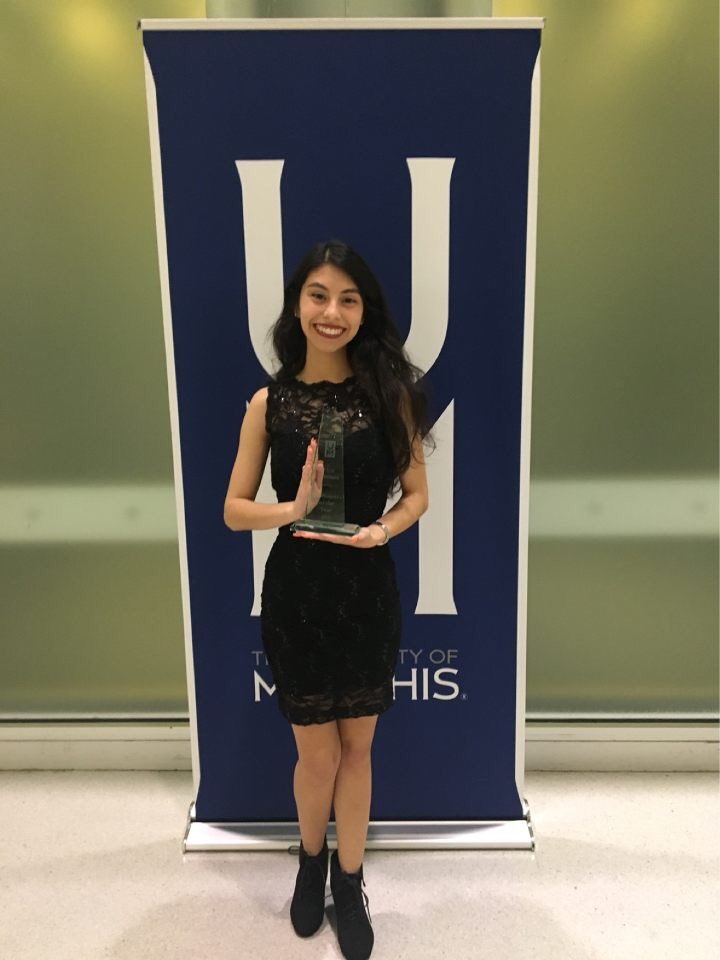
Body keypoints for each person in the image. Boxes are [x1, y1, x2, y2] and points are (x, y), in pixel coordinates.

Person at [224, 239, 432, 960]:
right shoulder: (269, 402)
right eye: (318, 295)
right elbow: (233, 510)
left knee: (359, 749)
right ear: (297, 305)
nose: (332, 312)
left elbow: (417, 496)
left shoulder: (390, 397)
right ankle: (311, 862)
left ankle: (350, 879)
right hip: (299, 595)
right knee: (316, 756)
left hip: (367, 592)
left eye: (348, 299)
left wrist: (382, 530)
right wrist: (293, 508)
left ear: (364, 311)